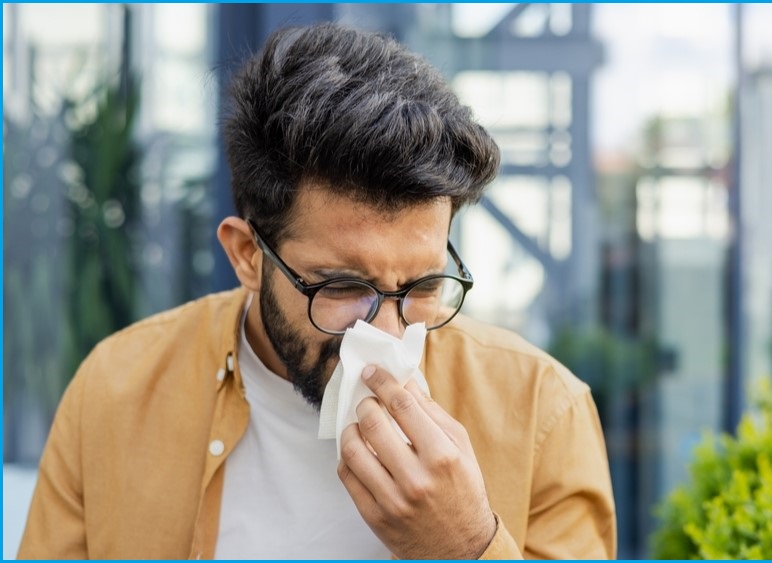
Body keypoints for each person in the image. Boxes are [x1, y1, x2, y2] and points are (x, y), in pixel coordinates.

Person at [18, 22, 616, 560]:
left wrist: (463, 547)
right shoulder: (117, 391)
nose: (386, 334)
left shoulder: (543, 409)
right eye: (342, 286)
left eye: (422, 284)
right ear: (247, 255)